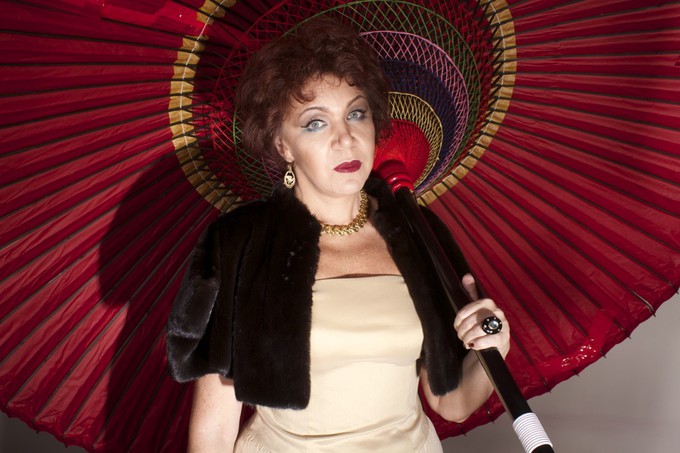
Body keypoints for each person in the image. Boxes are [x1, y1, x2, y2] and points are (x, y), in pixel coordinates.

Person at [166, 17, 510, 453]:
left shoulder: (417, 231)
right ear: (282, 145)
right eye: (315, 123)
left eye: (356, 114)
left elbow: (452, 403)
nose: (346, 139)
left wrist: (493, 347)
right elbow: (213, 433)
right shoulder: (241, 243)